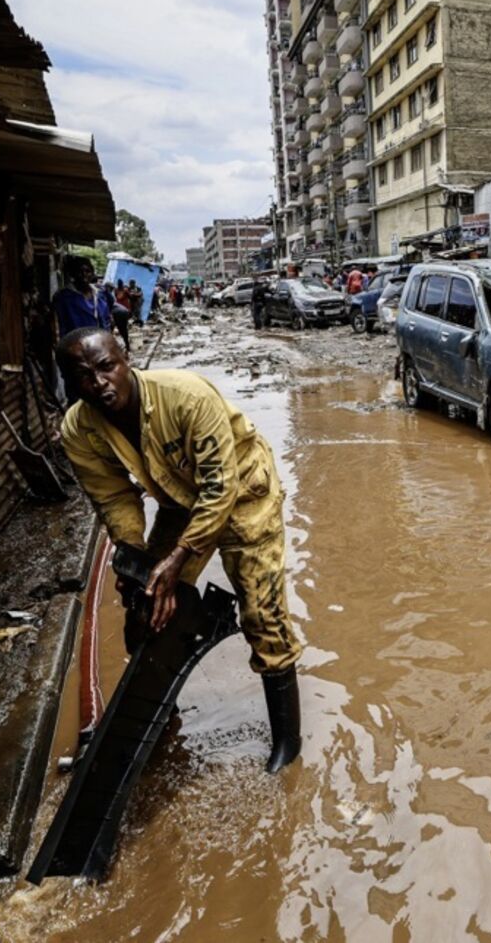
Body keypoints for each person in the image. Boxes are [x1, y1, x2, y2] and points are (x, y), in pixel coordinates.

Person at [55, 328, 304, 773]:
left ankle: (287, 742)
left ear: (126, 360)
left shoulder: (186, 396)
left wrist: (179, 556)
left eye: (106, 367)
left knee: (262, 614)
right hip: (180, 500)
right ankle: (158, 722)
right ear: (69, 384)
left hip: (245, 493)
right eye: (83, 376)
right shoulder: (77, 430)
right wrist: (136, 562)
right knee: (146, 605)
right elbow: (114, 498)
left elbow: (220, 486)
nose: (99, 383)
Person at [52, 256, 110, 337]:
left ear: (93, 273)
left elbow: (106, 320)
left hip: (99, 343)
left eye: (87, 271)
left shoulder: (100, 294)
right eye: (79, 271)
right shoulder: (63, 297)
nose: (84, 275)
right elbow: (59, 326)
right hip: (76, 344)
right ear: (73, 274)